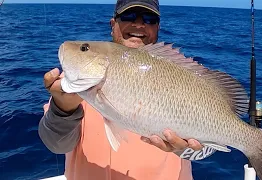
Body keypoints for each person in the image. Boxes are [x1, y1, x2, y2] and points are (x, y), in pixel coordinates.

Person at [39, 0, 216, 179]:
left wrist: (184, 150)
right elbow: (56, 144)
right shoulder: (77, 88)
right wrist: (63, 110)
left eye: (149, 18)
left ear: (158, 27)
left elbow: (205, 150)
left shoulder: (183, 75)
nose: (139, 24)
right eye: (128, 16)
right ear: (113, 24)